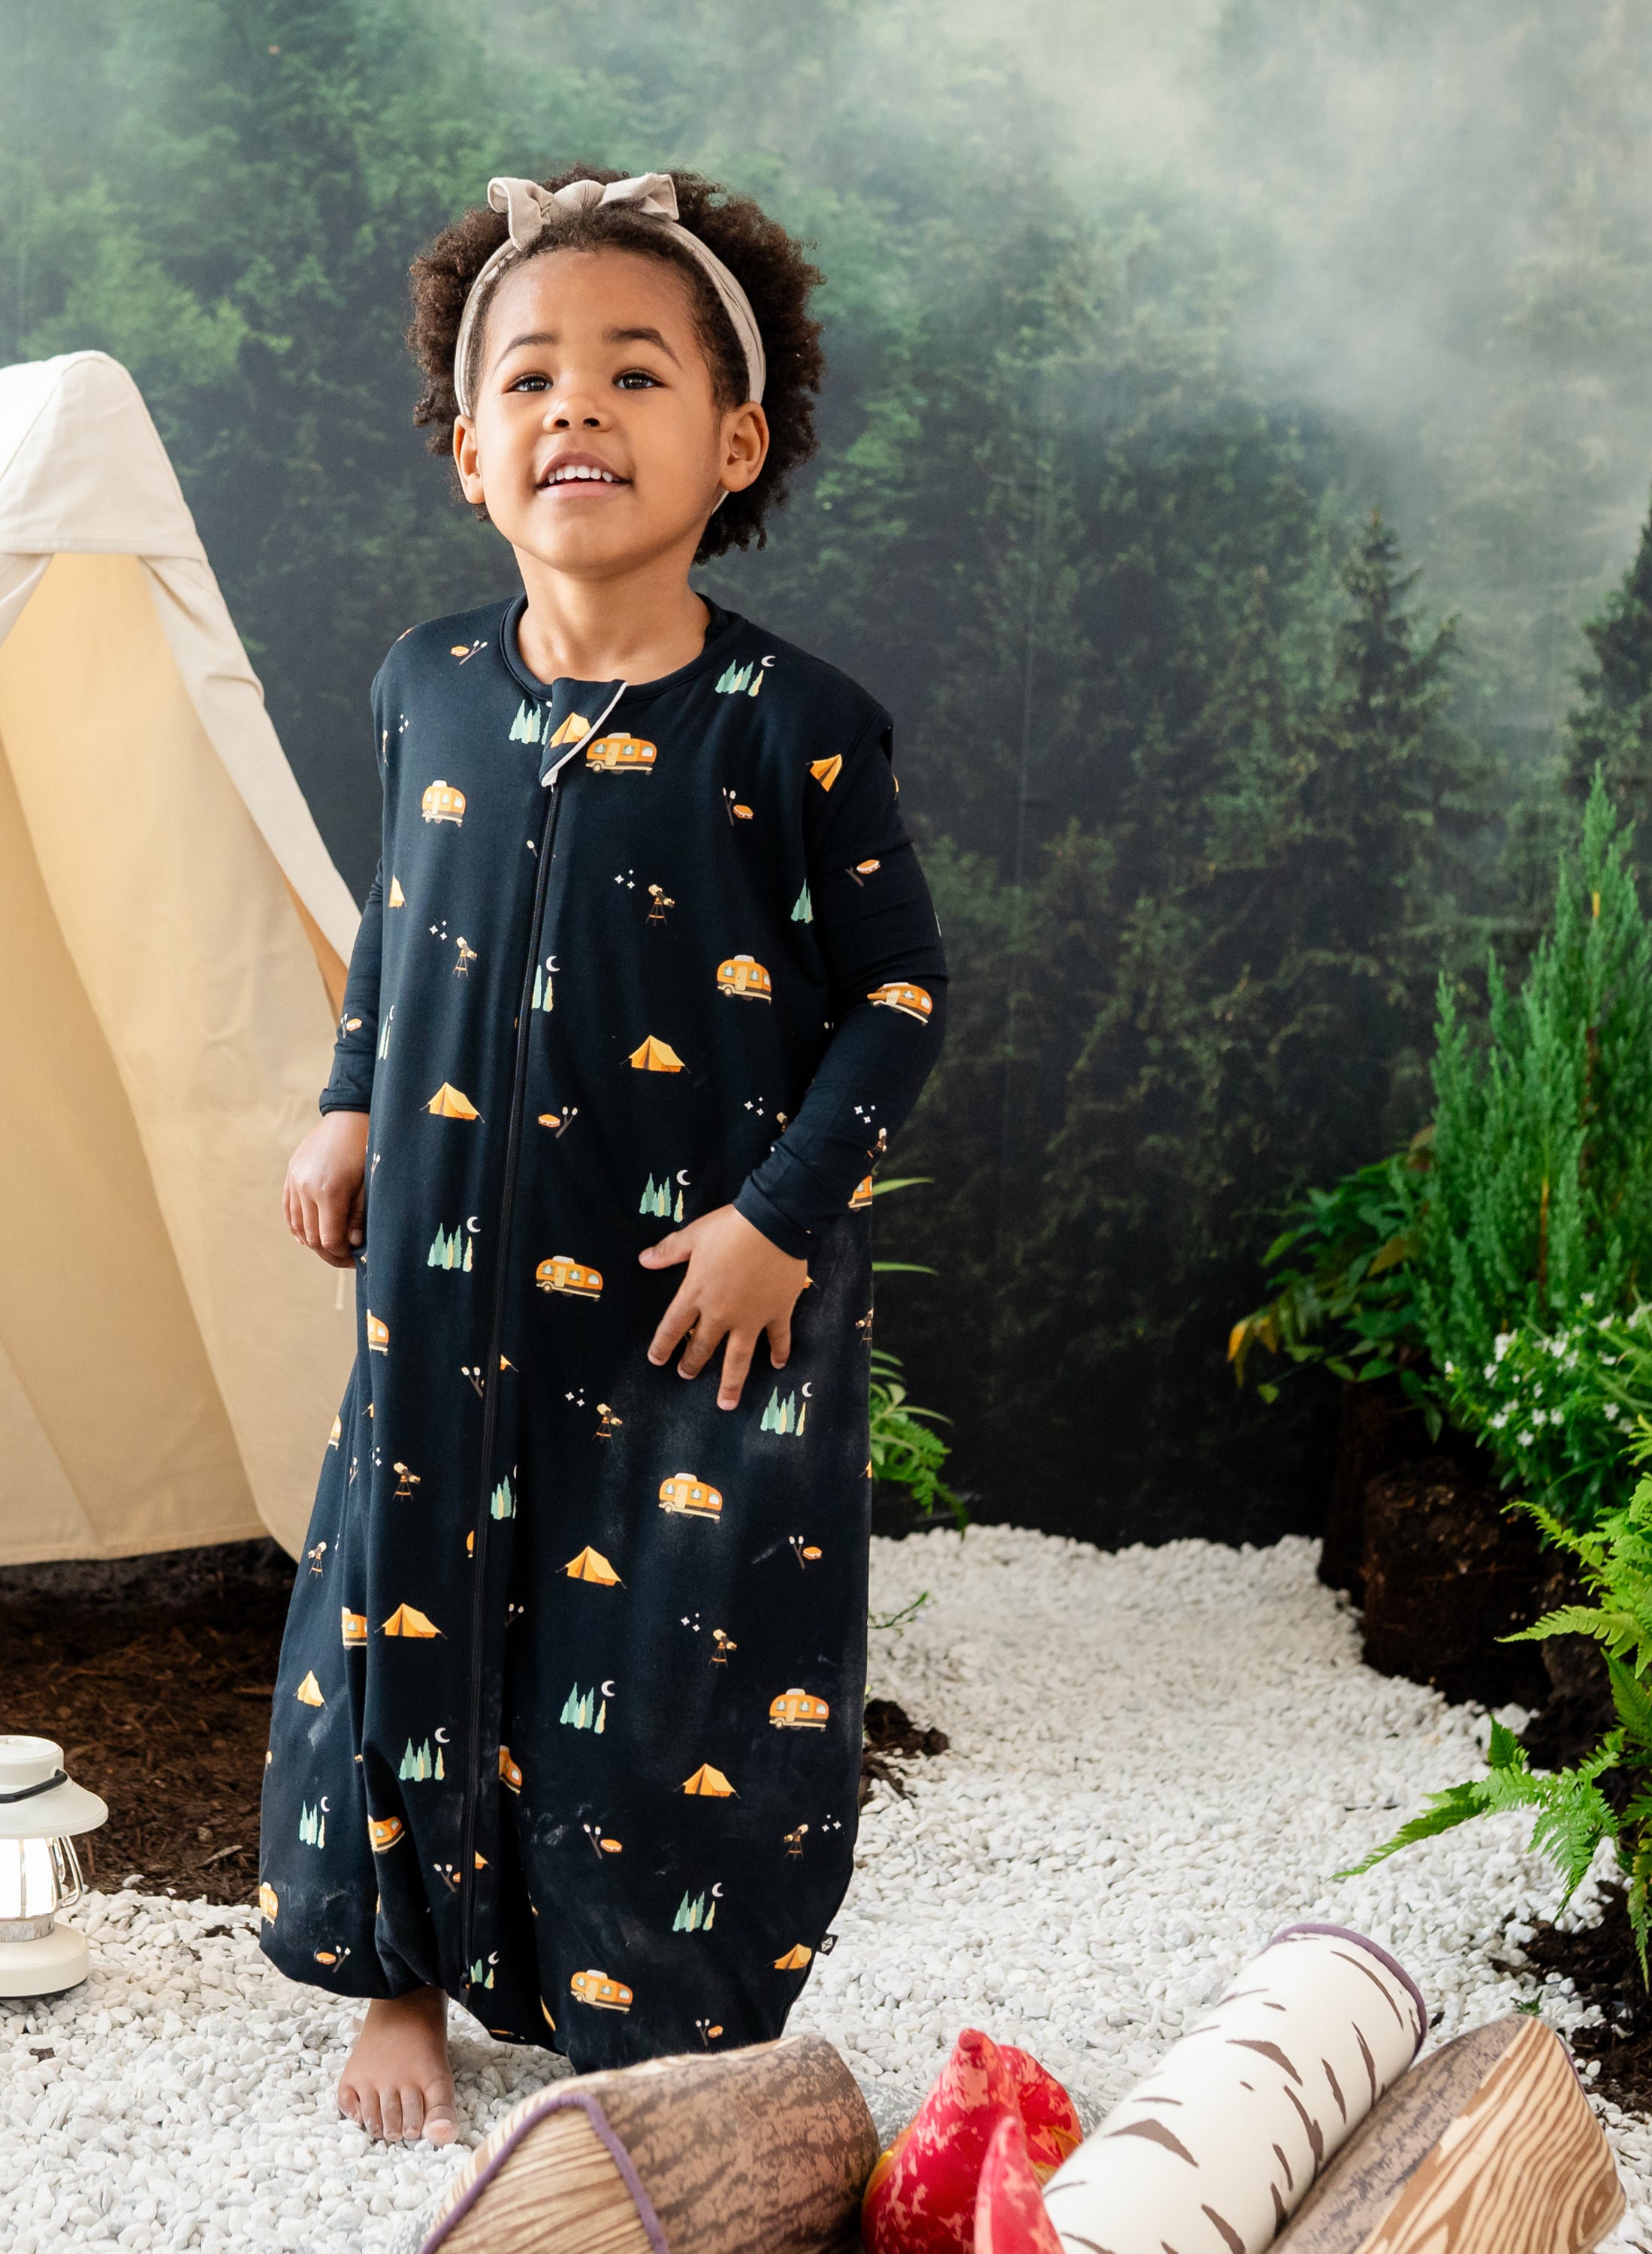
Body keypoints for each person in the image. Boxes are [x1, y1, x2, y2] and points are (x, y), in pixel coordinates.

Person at [260, 165, 948, 2147]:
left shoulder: (796, 727)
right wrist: (349, 1101)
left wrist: (776, 1226)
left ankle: (658, 2003)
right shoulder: (428, 687)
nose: (579, 408)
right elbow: (397, 924)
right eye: (533, 377)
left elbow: (897, 1005)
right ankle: (396, 1966)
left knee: (677, 1641)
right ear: (469, 451)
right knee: (404, 1597)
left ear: (732, 445)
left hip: (693, 1305)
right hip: (448, 1284)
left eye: (635, 374)